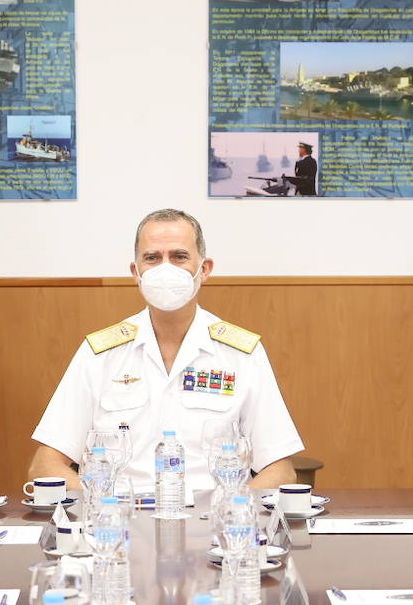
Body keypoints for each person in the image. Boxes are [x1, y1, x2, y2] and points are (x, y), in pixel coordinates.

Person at [29, 209, 303, 492]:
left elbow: (280, 470)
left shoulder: (242, 354)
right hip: (119, 521)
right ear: (136, 273)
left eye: (179, 257)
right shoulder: (99, 353)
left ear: (204, 269)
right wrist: (101, 507)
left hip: (212, 524)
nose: (165, 268)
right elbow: (44, 465)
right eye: (152, 258)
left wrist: (230, 509)